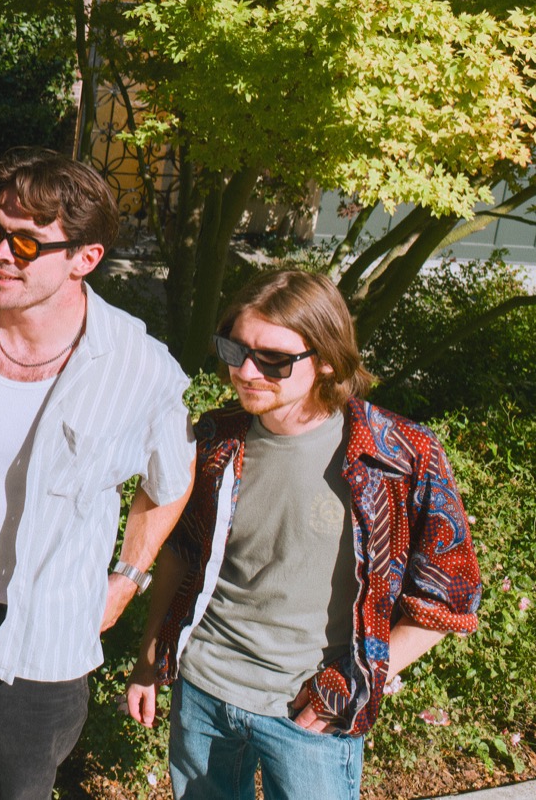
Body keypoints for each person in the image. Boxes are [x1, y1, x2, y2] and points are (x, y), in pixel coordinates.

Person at [0, 146, 195, 800]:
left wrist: (127, 579)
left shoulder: (141, 368)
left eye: (26, 243)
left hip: (43, 637)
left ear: (85, 258)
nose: (0, 253)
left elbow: (170, 482)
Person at [126, 269, 482, 800]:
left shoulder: (397, 457)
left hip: (308, 715)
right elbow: (181, 552)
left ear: (328, 360)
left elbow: (448, 600)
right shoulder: (217, 439)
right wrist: (150, 658)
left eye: (273, 359)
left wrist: (353, 683)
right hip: (202, 694)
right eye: (235, 349)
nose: (246, 371)